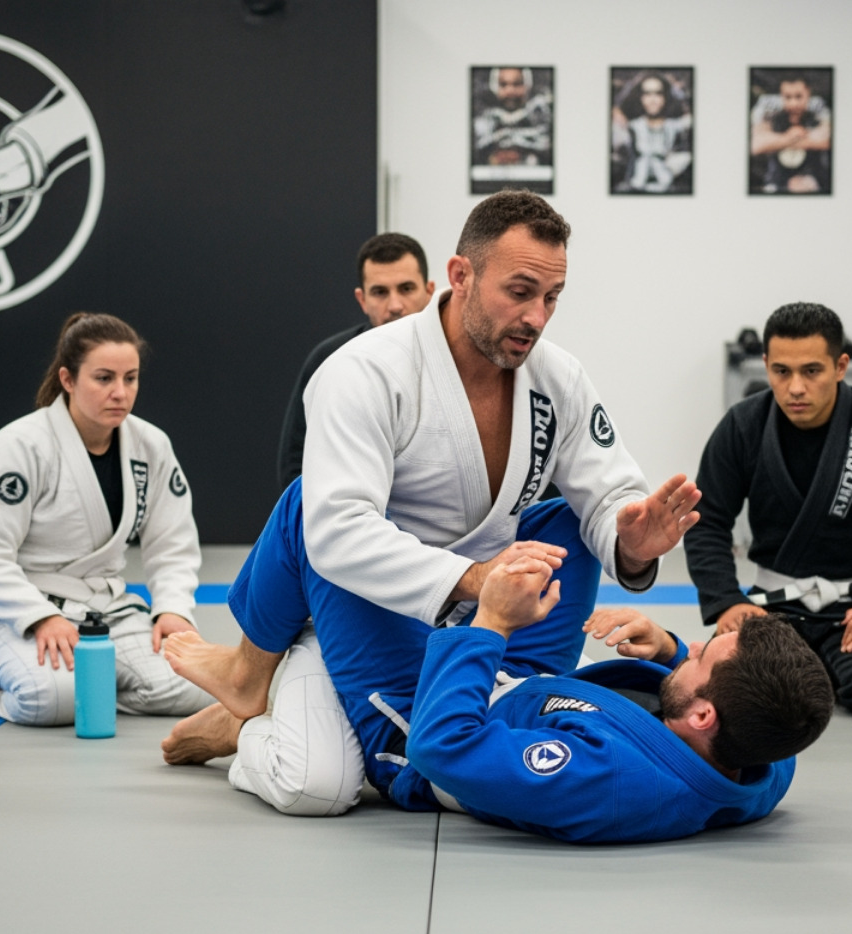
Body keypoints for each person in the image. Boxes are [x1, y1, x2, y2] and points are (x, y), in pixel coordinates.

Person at [161, 190, 701, 815]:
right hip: (368, 601)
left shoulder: (559, 379)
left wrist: (630, 541)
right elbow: (334, 529)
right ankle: (257, 701)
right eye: (520, 291)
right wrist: (476, 580)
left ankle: (279, 695)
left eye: (552, 298)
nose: (537, 317)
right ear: (460, 276)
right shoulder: (363, 372)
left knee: (577, 524)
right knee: (319, 788)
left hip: (494, 618)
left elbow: (611, 492)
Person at [157, 483, 833, 843]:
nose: (692, 648)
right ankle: (437, 558)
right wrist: (673, 650)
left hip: (421, 707)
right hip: (525, 674)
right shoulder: (764, 753)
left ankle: (248, 692)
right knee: (578, 520)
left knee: (315, 507)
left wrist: (490, 620)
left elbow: (445, 748)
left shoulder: (608, 785)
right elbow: (774, 717)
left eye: (703, 658)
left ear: (705, 713)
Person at [685, 302, 852, 719]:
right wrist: (726, 601)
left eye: (811, 371)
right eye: (782, 371)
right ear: (765, 365)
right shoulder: (743, 425)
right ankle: (816, 671)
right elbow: (705, 523)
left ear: (840, 365)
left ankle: (817, 670)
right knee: (730, 696)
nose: (796, 387)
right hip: (772, 610)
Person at [0, 312, 213, 727]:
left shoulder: (150, 444)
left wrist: (173, 609)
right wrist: (40, 617)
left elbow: (173, 543)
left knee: (198, 687)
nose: (120, 392)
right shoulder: (19, 446)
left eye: (130, 378)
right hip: (19, 612)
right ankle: (16, 682)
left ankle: (93, 681)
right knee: (50, 700)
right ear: (68, 379)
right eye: (104, 378)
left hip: (106, 609)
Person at [277, 233, 435, 487]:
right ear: (362, 300)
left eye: (406, 289)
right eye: (380, 292)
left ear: (429, 292)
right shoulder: (330, 359)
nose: (395, 305)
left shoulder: (457, 360)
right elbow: (296, 464)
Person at [611, 72, 693, 194]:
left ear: (666, 96)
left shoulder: (674, 126)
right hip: (635, 188)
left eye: (658, 94)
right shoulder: (632, 127)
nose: (653, 100)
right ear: (639, 97)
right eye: (647, 94)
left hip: (668, 188)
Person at [749, 74, 831, 194]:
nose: (793, 103)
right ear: (781, 96)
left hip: (812, 180)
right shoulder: (774, 119)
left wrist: (776, 141)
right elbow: (757, 146)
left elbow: (826, 141)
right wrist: (790, 136)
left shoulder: (816, 114)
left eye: (798, 97)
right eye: (788, 97)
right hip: (777, 182)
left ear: (808, 93)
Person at [472, 67, 552, 172]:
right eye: (503, 84)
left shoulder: (541, 116)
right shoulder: (483, 119)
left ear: (527, 85)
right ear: (494, 86)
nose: (510, 91)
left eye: (517, 84)